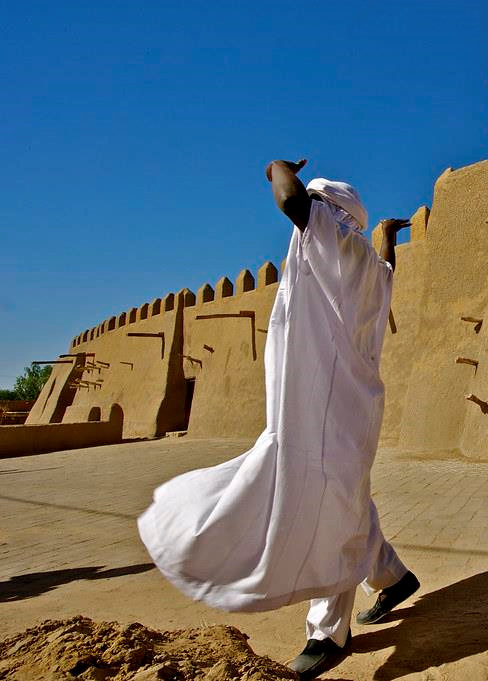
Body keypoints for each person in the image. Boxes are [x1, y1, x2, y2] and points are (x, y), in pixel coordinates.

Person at [137, 158, 419, 681]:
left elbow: (291, 200)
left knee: (327, 506)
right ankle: (391, 576)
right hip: (350, 405)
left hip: (325, 407)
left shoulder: (327, 241)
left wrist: (276, 166)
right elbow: (387, 265)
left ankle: (326, 632)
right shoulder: (365, 263)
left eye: (316, 207)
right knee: (344, 496)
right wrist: (385, 234)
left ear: (329, 213)